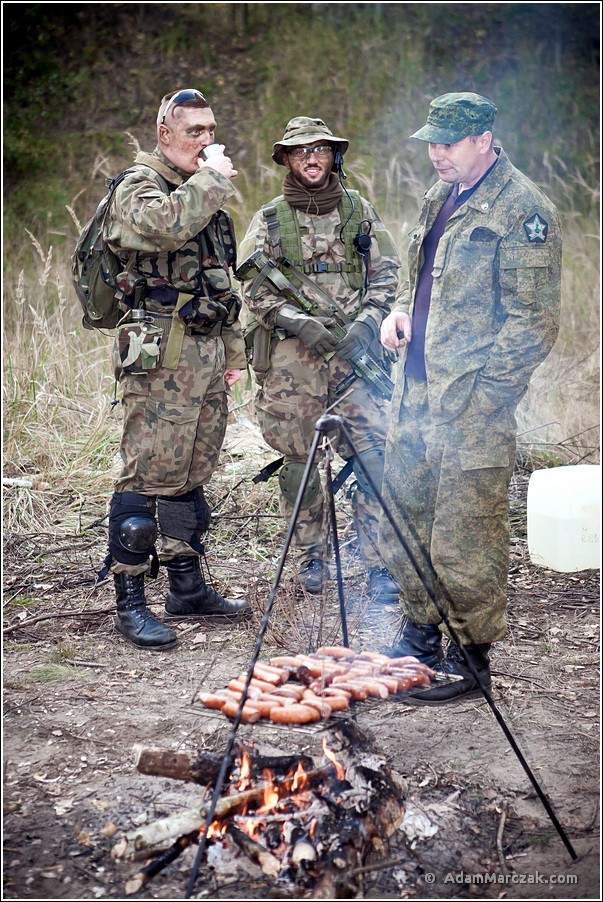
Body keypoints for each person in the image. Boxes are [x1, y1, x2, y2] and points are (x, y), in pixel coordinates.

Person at [378, 92, 562, 703]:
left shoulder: (524, 210)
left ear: (483, 139)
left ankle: (468, 656)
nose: (437, 153)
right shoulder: (440, 196)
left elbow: (533, 323)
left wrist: (487, 397)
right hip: (417, 392)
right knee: (408, 516)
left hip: (473, 406)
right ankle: (419, 637)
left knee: (466, 536)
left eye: (449, 142)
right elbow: (418, 277)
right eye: (431, 142)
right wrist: (399, 312)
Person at [100, 88, 251, 650]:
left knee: (191, 469)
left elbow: (218, 280)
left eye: (211, 131)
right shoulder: (139, 186)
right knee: (145, 473)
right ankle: (130, 601)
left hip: (205, 351)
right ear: (165, 134)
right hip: (158, 348)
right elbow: (161, 227)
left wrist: (233, 353)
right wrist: (211, 180)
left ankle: (186, 587)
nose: (206, 141)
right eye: (194, 132)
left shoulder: (200, 192)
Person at [237, 117, 401, 601]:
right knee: (300, 463)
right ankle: (312, 556)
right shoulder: (270, 219)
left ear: (334, 157)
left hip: (356, 361)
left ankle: (378, 562)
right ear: (286, 160)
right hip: (294, 365)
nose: (311, 158)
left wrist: (368, 321)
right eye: (300, 151)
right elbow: (252, 286)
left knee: (374, 456)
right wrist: (296, 321)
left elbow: (388, 273)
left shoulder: (359, 211)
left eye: (320, 150)